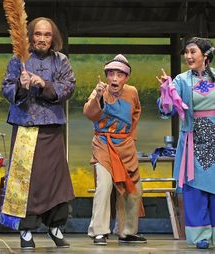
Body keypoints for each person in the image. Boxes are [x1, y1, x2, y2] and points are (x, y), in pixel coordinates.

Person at [0, 17, 75, 249]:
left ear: (54, 38)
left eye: (47, 35)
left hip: (52, 129)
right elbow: (6, 87)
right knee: (27, 182)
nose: (42, 39)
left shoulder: (61, 61)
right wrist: (22, 86)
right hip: (25, 128)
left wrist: (44, 84)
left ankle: (55, 226)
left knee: (56, 179)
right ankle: (25, 230)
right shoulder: (18, 60)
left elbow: (68, 87)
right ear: (30, 36)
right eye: (38, 34)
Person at [156, 37, 215, 250]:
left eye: (193, 52)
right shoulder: (181, 80)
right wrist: (166, 91)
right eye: (186, 53)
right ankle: (201, 235)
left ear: (205, 55)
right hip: (193, 141)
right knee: (195, 189)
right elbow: (168, 110)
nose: (188, 56)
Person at [84, 54, 146, 245]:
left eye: (119, 74)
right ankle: (99, 231)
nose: (114, 78)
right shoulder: (100, 91)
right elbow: (89, 113)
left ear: (126, 77)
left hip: (125, 146)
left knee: (133, 187)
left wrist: (131, 138)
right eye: (111, 74)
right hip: (103, 143)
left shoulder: (132, 92)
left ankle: (127, 231)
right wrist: (98, 97)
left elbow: (136, 114)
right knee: (104, 186)